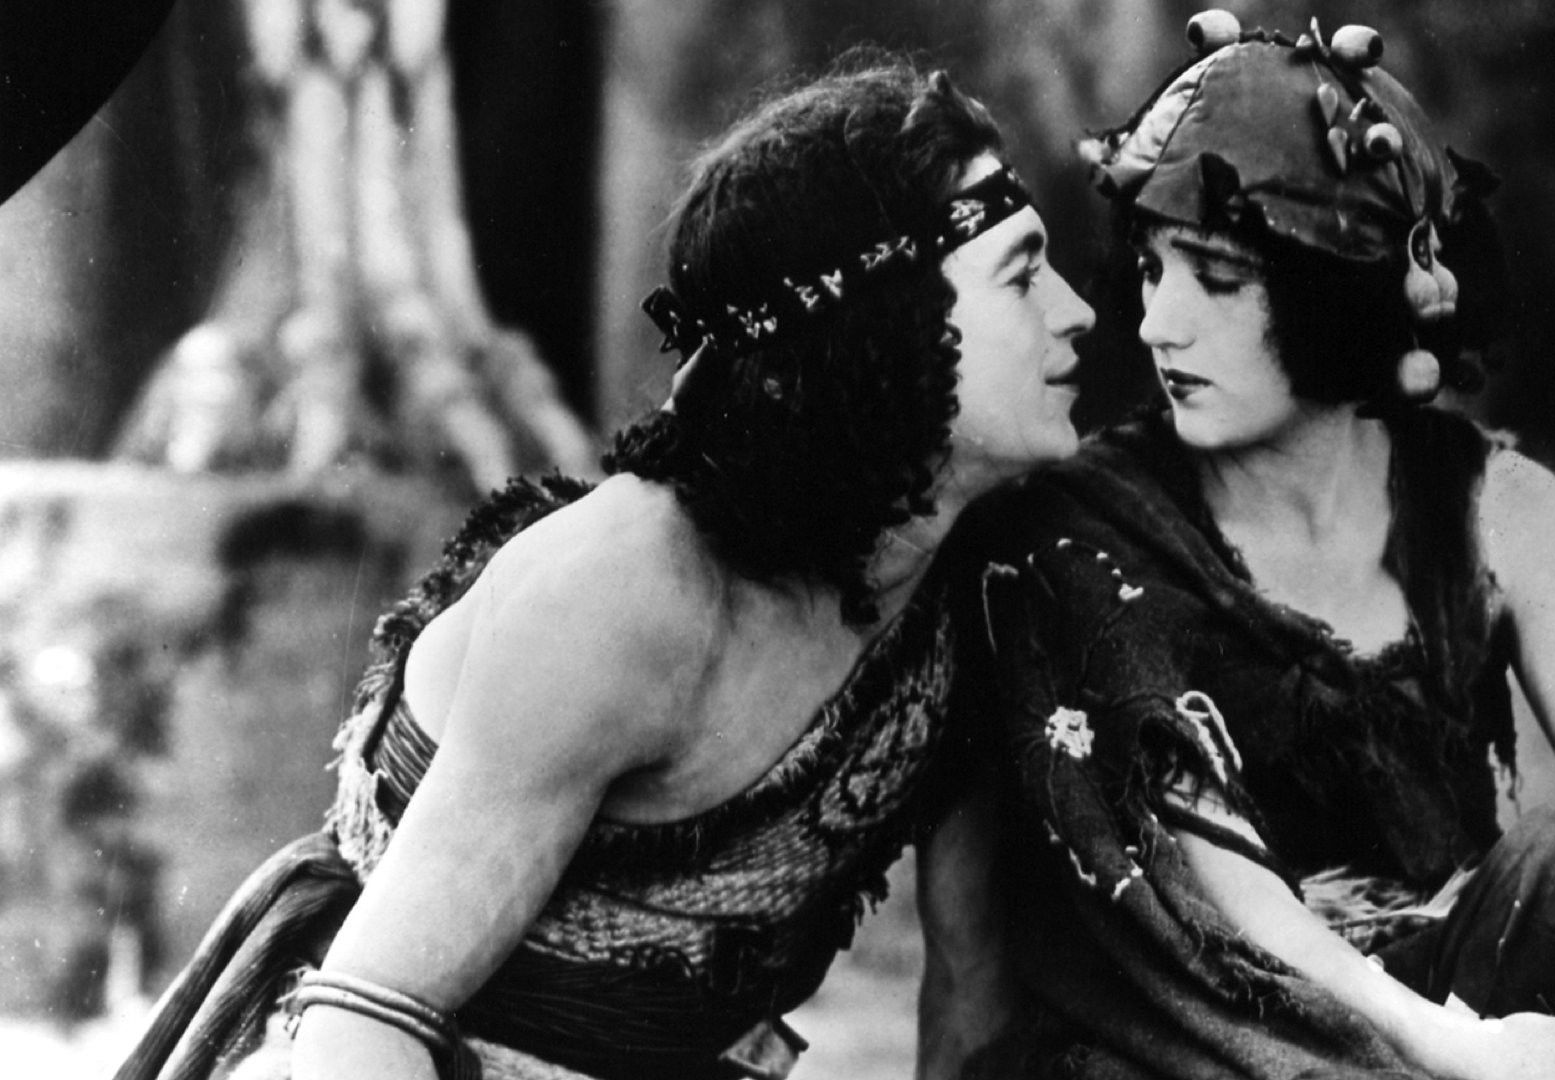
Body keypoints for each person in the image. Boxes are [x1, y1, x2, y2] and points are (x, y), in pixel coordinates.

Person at [116, 54, 1093, 1080]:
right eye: (1021, 276)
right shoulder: (625, 592)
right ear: (880, 326)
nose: (1077, 313)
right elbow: (367, 1019)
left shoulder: (976, 584)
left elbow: (974, 1006)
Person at [920, 12, 1555, 1080]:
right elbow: (1223, 909)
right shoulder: (1080, 533)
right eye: (1152, 270)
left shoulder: (1501, 515)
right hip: (1203, 1036)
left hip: (1460, 1014)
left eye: (1217, 280)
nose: (1158, 324)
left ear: (1335, 294)